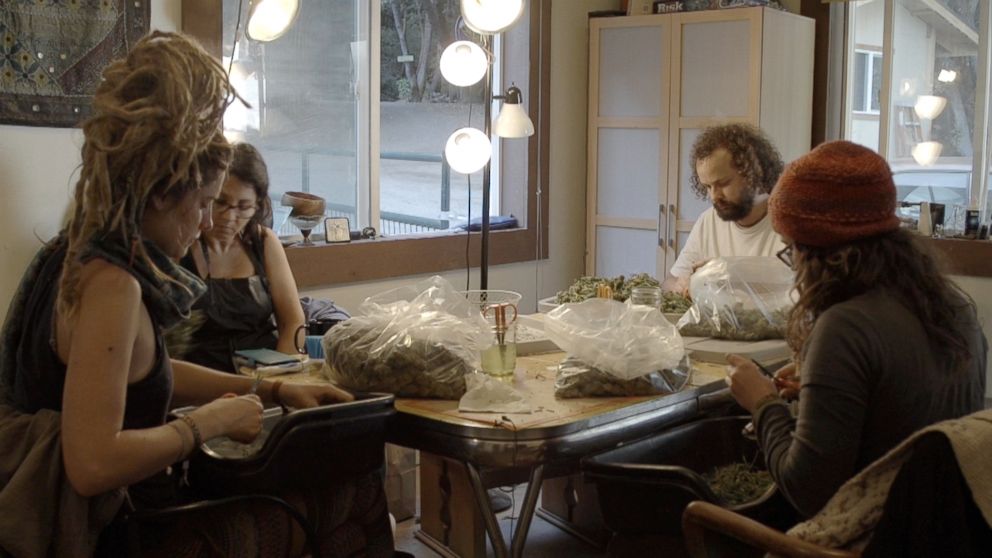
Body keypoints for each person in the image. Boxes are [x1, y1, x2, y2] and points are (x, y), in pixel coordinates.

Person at [0, 32, 382, 556]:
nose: (208, 222)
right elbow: (90, 465)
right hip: (141, 527)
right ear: (160, 191)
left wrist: (269, 391)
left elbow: (133, 374)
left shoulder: (78, 249)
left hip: (135, 507)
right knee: (353, 488)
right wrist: (208, 423)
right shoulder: (115, 286)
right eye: (204, 203)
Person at [726, 140, 987, 519]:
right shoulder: (953, 307)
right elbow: (898, 408)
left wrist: (762, 402)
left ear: (822, 253)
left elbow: (806, 491)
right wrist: (823, 388)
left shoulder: (844, 328)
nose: (793, 264)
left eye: (790, 248)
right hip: (945, 533)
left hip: (870, 539)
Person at [178, 142, 306, 372]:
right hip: (201, 379)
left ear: (257, 206)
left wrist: (278, 374)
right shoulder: (180, 244)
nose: (229, 217)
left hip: (262, 376)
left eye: (243, 207)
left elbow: (292, 323)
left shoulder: (264, 242)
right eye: (221, 203)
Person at [666, 123, 786, 293]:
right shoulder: (708, 221)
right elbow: (670, 281)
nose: (714, 196)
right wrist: (681, 285)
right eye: (707, 186)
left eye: (723, 183)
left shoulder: (788, 225)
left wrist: (733, 272)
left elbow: (798, 290)